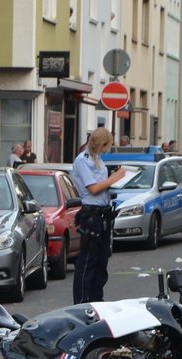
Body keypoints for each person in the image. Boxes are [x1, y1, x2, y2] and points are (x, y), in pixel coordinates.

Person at [70, 127, 127, 304]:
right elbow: (93, 188)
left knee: (102, 261)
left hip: (103, 213)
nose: (108, 148)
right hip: (92, 214)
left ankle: (96, 299)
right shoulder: (83, 160)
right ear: (102, 143)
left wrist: (113, 180)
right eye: (108, 145)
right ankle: (82, 302)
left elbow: (101, 185)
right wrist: (115, 178)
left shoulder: (98, 160)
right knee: (88, 261)